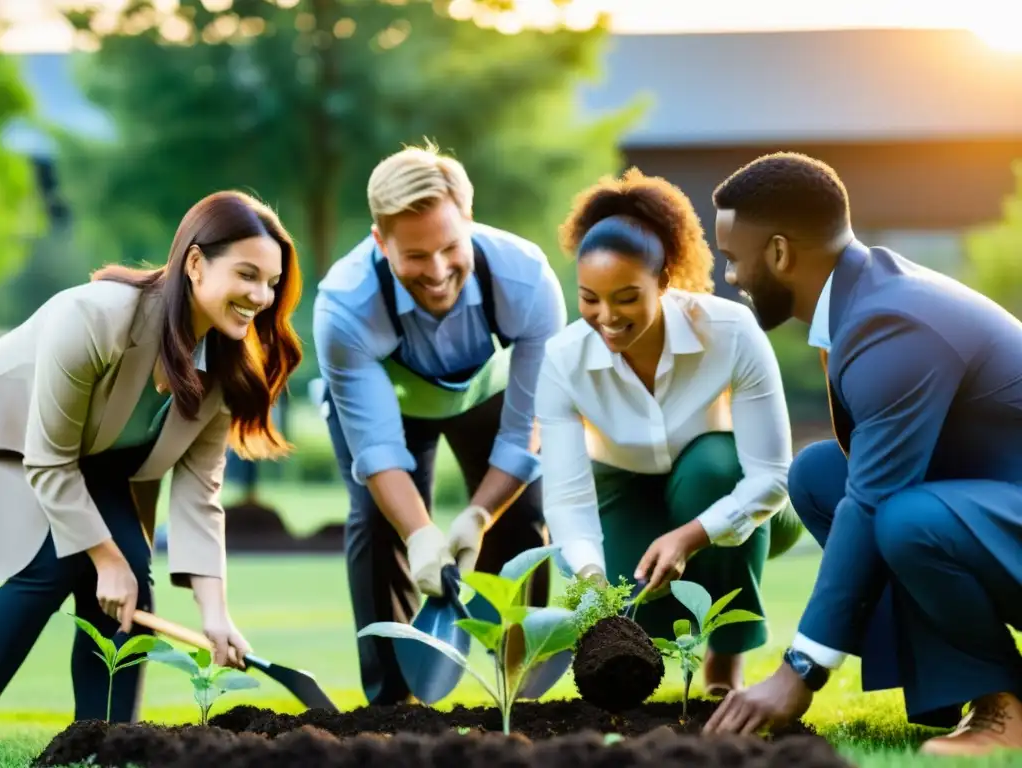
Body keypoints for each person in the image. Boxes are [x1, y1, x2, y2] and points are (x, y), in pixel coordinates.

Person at [702, 151, 1022, 756]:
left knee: (904, 518)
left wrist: (800, 670)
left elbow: (874, 503)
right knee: (820, 475)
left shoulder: (892, 324)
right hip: (1002, 504)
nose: (731, 276)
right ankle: (972, 684)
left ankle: (1006, 709)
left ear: (778, 253)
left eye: (732, 257)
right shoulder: (865, 302)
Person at [0, 190, 304, 723]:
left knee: (130, 578)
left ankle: (106, 741)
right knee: (54, 564)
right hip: (17, 444)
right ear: (195, 264)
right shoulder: (93, 320)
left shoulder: (222, 370)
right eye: (247, 275)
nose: (261, 296)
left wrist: (215, 614)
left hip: (91, 464)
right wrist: (105, 557)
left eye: (272, 283)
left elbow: (199, 493)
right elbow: (49, 460)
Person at [312, 142, 567, 705]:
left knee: (522, 516)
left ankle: (518, 690)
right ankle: (393, 708)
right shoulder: (344, 306)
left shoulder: (526, 280)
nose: (437, 271)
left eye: (451, 247)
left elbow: (525, 430)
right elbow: (378, 451)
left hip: (483, 393)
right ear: (380, 242)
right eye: (415, 256)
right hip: (393, 406)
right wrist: (421, 534)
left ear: (469, 222)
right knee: (380, 528)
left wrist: (478, 515)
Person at [536, 168, 804, 695]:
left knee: (715, 469)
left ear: (664, 280)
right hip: (625, 489)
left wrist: (690, 536)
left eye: (627, 297)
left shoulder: (729, 331)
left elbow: (771, 477)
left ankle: (725, 663)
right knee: (634, 608)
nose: (607, 317)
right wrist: (592, 579)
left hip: (722, 485)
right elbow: (567, 498)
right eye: (590, 298)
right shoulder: (562, 359)